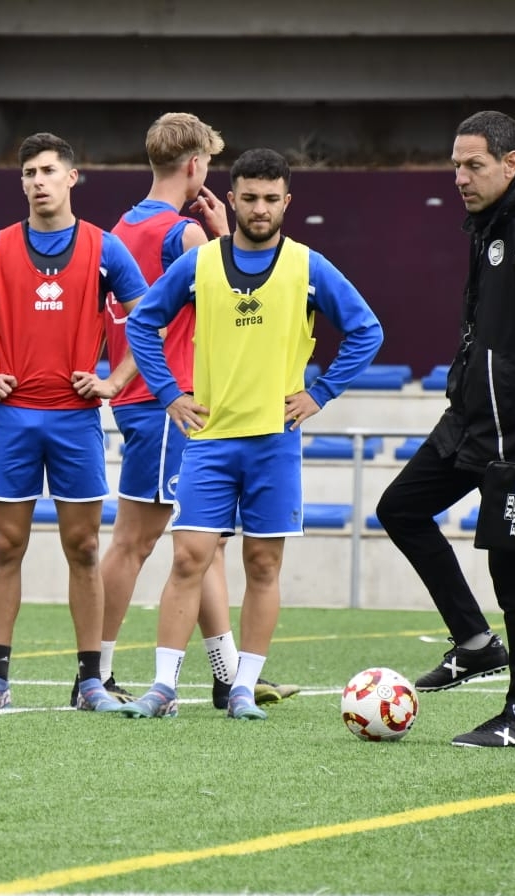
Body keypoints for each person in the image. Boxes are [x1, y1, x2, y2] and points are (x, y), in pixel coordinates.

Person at [120, 148, 383, 720]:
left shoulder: (309, 266)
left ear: (286, 202)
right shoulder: (200, 263)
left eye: (271, 199)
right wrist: (169, 393)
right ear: (231, 198)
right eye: (249, 197)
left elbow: (367, 330)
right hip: (211, 439)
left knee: (263, 565)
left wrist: (321, 392)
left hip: (274, 441)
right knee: (189, 558)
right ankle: (163, 687)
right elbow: (143, 321)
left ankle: (243, 686)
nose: (259, 208)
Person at [376, 111, 515, 749]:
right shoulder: (487, 227)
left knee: (513, 574)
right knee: (400, 509)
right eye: (456, 165)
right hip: (468, 426)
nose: (460, 177)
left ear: (510, 164)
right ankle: (473, 640)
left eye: (474, 166)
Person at [0, 131, 150, 713]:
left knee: (82, 546)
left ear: (72, 178)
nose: (37, 181)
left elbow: (150, 322)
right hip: (13, 418)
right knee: (6, 545)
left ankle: (90, 683)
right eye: (28, 173)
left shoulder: (105, 248)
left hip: (76, 418)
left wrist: (113, 381)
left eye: (48, 170)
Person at [92, 114, 298, 711]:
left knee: (200, 542)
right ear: (195, 167)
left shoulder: (119, 227)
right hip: (173, 405)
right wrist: (217, 236)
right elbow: (234, 304)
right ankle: (96, 672)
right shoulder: (182, 236)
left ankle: (228, 674)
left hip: (146, 403)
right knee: (135, 541)